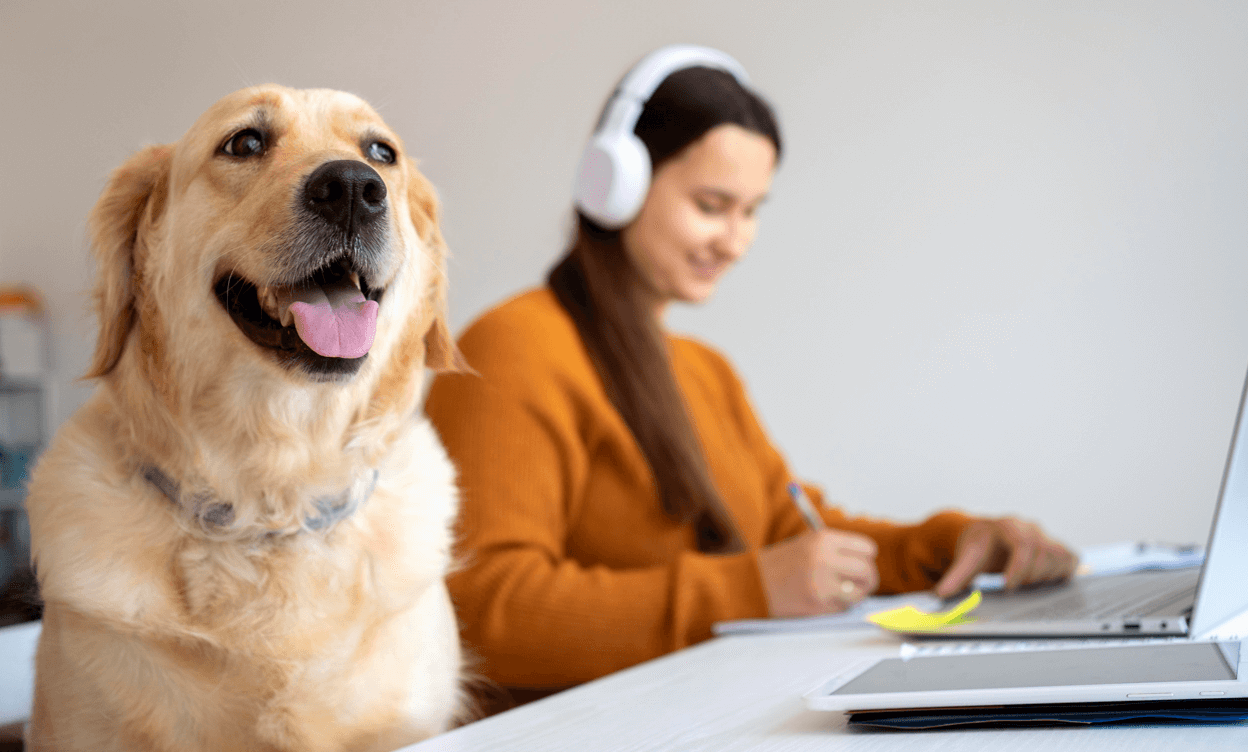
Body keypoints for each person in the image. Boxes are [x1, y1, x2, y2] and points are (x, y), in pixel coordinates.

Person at [425, 45, 1077, 709]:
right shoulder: (514, 347)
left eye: (752, 210)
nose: (735, 241)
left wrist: (954, 544)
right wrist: (747, 590)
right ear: (617, 184)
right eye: (712, 205)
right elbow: (479, 609)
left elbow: (795, 537)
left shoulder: (706, 372)